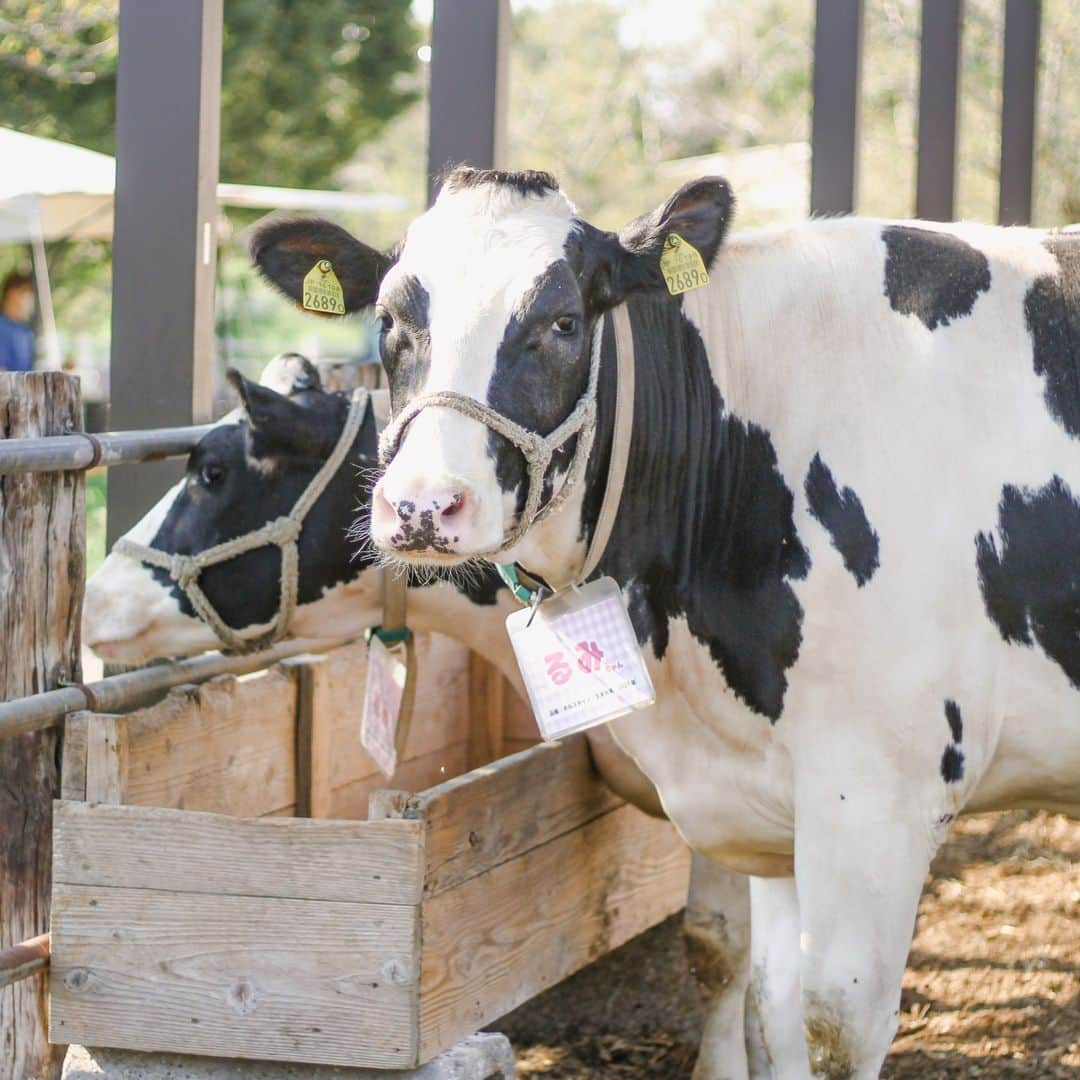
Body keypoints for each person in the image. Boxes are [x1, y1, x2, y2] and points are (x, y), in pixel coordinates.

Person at [0, 270, 36, 372]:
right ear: (12, 293)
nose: (29, 297)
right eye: (25, 291)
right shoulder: (2, 327)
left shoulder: (25, 331)